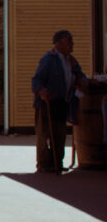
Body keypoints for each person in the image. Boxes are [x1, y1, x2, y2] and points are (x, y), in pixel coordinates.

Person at [31, 30, 87, 173]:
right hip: (46, 103)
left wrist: (82, 81)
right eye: (69, 41)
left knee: (59, 135)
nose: (72, 44)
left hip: (62, 102)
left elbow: (81, 75)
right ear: (59, 43)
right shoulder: (49, 59)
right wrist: (42, 91)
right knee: (44, 136)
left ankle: (57, 163)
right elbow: (36, 80)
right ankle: (44, 165)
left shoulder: (71, 61)